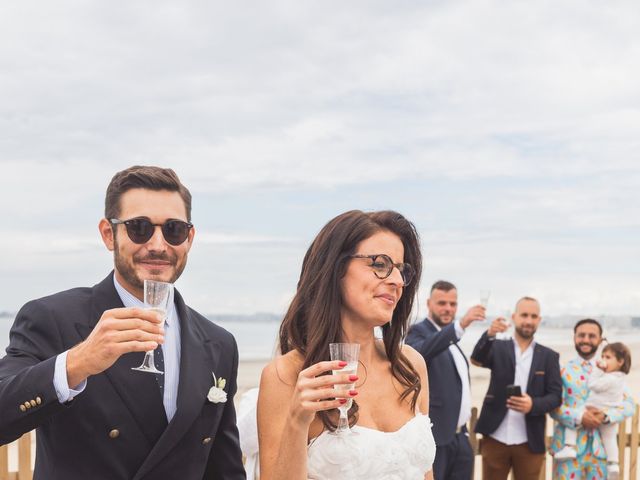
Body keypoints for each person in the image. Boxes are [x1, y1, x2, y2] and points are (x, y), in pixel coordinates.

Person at [0, 166, 246, 479]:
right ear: (108, 234)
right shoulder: (53, 318)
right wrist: (77, 363)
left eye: (173, 230)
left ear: (189, 238)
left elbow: (223, 468)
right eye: (139, 228)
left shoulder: (219, 343)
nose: (158, 245)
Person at [257, 210, 435, 480]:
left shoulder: (410, 365)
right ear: (335, 268)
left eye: (402, 270)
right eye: (380, 264)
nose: (397, 281)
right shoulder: (286, 375)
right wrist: (297, 421)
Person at [471, 296, 562, 480]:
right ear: (514, 317)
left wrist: (533, 405)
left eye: (533, 316)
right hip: (495, 436)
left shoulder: (549, 356)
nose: (528, 320)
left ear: (539, 320)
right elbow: (476, 359)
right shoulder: (497, 346)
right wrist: (489, 334)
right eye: (524, 315)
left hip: (530, 441)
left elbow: (555, 397)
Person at [406, 280, 486, 480]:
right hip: (436, 439)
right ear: (428, 304)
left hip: (461, 438)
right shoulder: (417, 332)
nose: (448, 309)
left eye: (453, 304)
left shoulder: (452, 340)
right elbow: (421, 352)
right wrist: (460, 325)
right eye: (442, 303)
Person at [550, 319, 636, 480]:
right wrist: (579, 417)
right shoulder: (562, 370)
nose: (586, 340)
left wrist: (606, 416)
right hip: (568, 452)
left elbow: (630, 405)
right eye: (581, 335)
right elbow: (553, 407)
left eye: (592, 336)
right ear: (574, 338)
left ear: (600, 339)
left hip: (602, 452)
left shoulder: (613, 371)